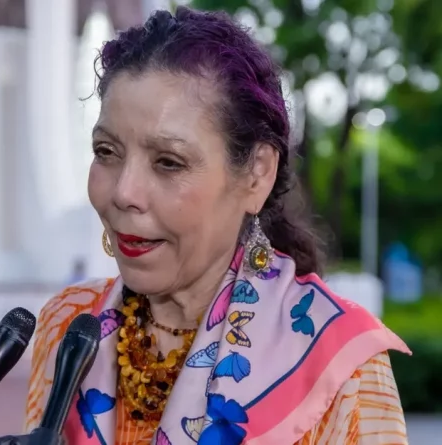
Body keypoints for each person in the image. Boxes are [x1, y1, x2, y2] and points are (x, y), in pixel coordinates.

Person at [23, 7, 410, 445]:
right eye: (107, 151)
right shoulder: (71, 324)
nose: (123, 192)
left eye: (168, 162)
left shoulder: (340, 362)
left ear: (256, 174)